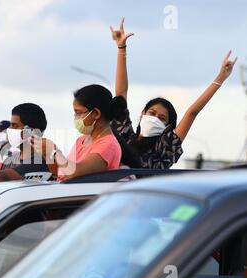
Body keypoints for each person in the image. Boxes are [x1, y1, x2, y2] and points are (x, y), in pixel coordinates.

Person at [110, 18, 237, 169]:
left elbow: (192, 112)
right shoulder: (125, 137)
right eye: (152, 113)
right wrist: (121, 48)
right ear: (143, 113)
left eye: (161, 118)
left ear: (167, 126)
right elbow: (121, 94)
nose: (154, 118)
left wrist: (220, 78)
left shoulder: (164, 148)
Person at [31, 84, 123, 181]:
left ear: (96, 113)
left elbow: (74, 172)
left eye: (78, 112)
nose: (75, 117)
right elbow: (60, 174)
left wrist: (54, 152)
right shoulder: (81, 140)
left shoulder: (109, 145)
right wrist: (47, 153)